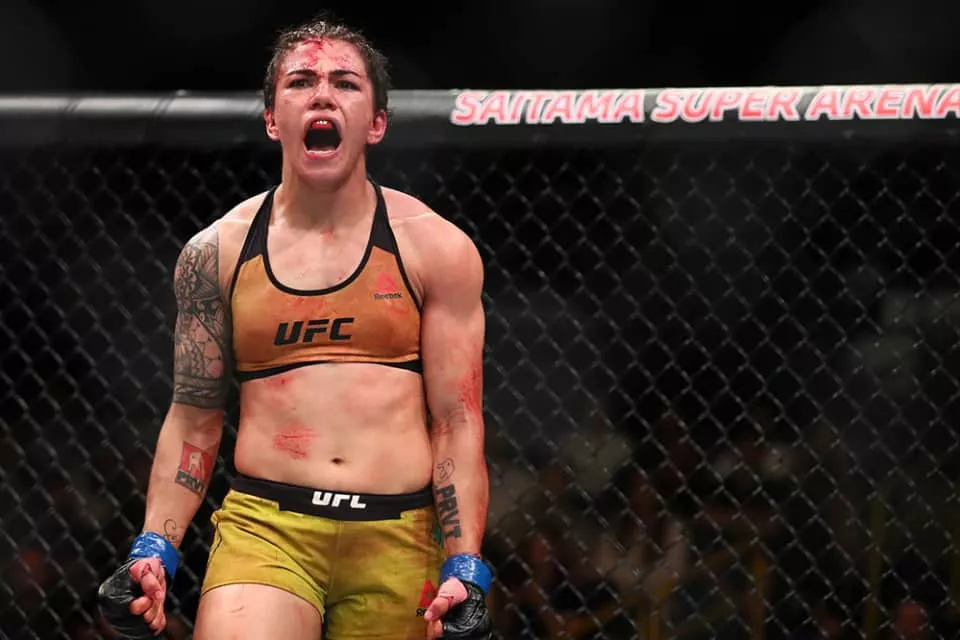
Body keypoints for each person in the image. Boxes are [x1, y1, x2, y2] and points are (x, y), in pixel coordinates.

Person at [97, 15, 492, 640]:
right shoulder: (217, 254)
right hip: (267, 530)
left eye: (346, 83)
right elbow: (194, 416)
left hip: (401, 533)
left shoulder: (436, 249)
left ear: (376, 123)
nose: (323, 95)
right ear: (272, 119)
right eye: (302, 81)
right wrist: (154, 548)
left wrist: (465, 567)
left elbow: (457, 421)